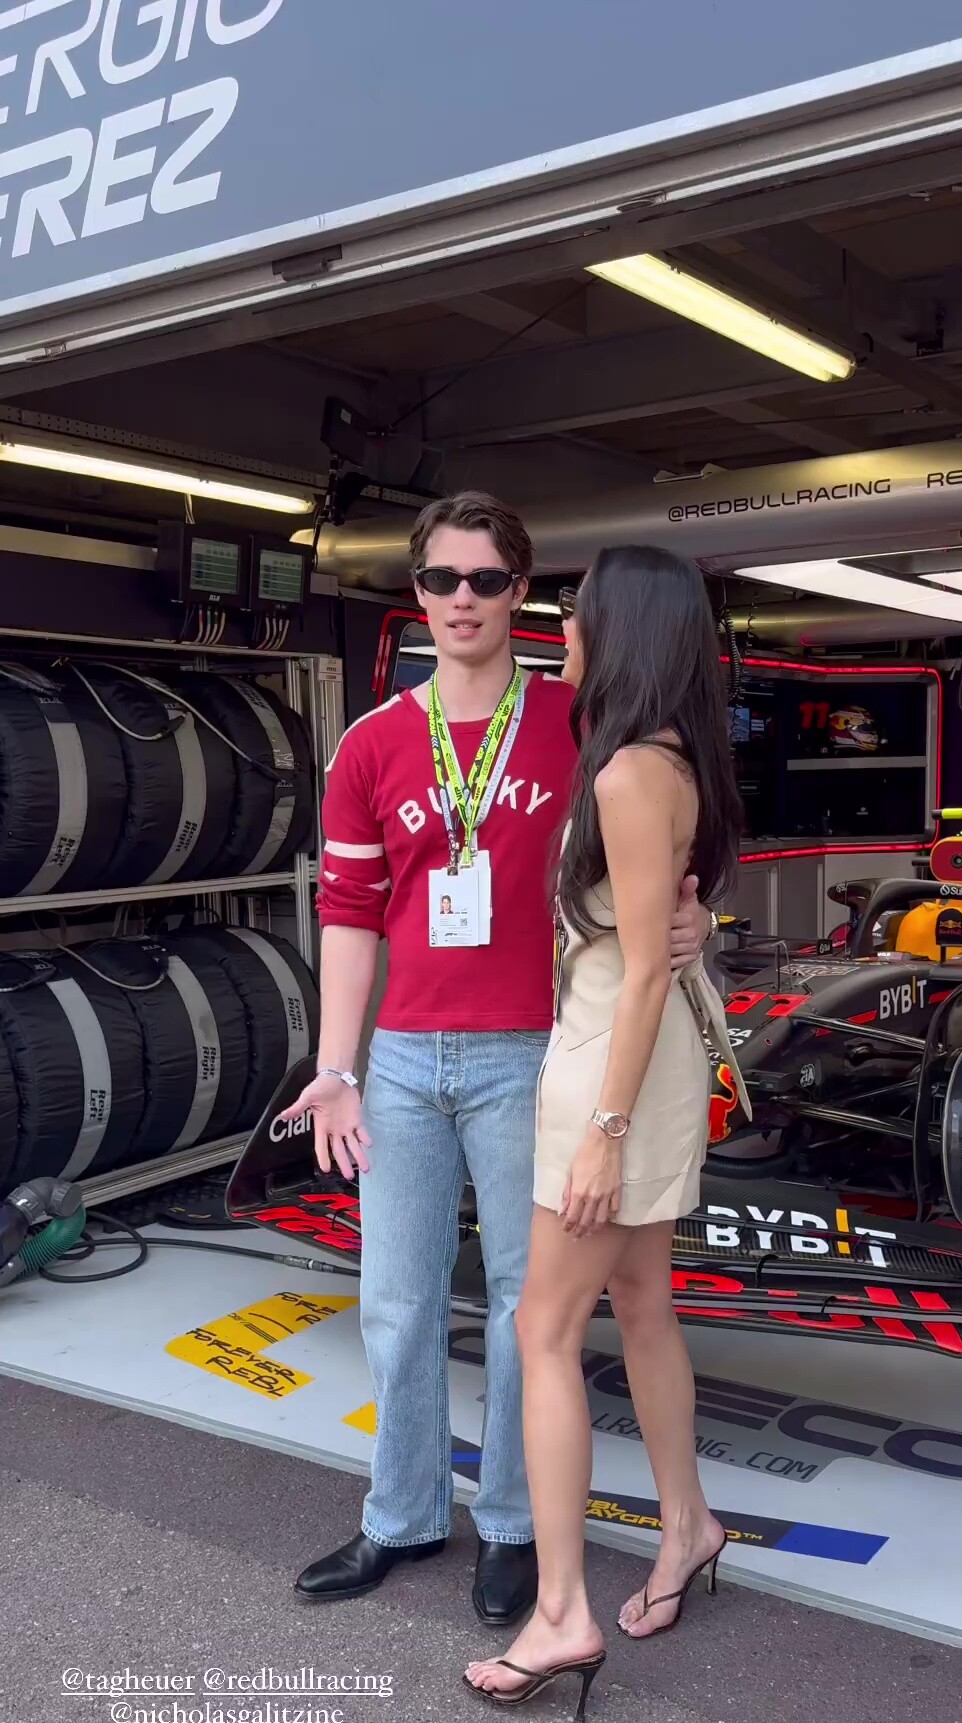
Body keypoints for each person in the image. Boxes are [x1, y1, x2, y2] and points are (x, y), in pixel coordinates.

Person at [278, 494, 717, 1629]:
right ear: (415, 592)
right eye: (441, 580)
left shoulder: (584, 720)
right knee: (396, 1301)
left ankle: (517, 1526)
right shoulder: (373, 741)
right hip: (405, 1057)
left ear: (521, 591)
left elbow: (675, 832)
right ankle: (402, 1515)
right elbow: (349, 913)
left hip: (541, 1048)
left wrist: (697, 916)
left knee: (535, 1310)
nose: (461, 600)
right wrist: (338, 1066)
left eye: (485, 580)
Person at [464, 544, 748, 1719]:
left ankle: (561, 1612)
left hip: (611, 1068)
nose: (563, 631)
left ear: (620, 630)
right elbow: (666, 930)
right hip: (647, 1056)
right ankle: (687, 1527)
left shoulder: (630, 770)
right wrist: (694, 928)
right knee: (640, 1304)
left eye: (576, 615)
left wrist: (604, 1132)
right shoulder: (672, 758)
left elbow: (634, 973)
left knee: (541, 1330)